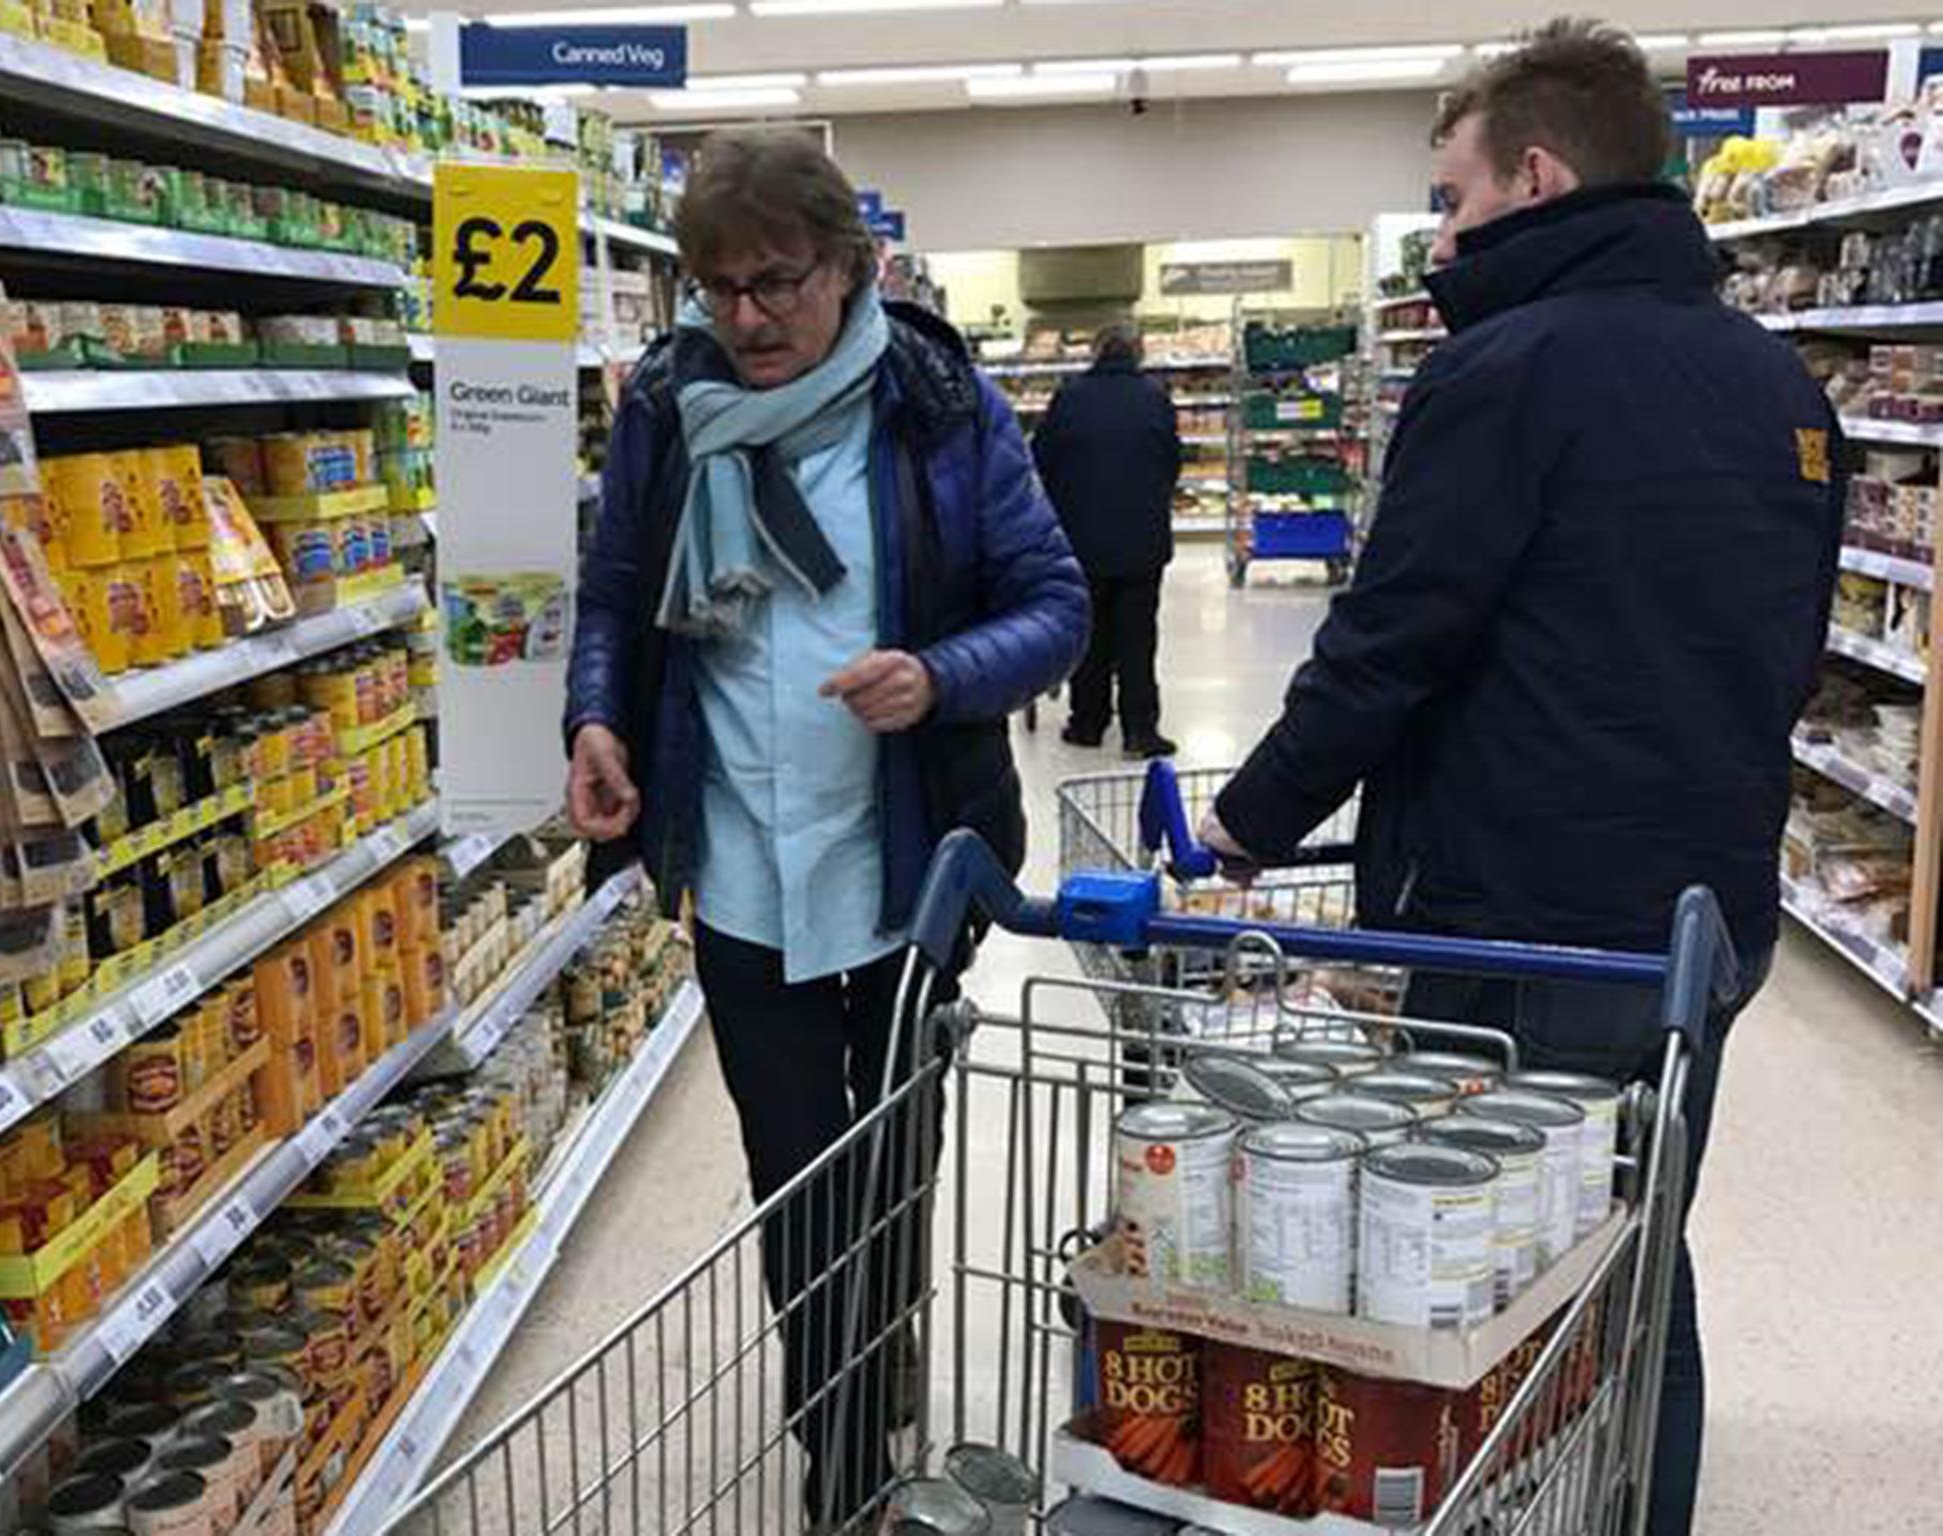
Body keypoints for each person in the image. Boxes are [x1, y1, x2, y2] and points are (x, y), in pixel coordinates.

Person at [1198, 21, 1841, 1536]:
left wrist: (1243, 825)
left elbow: (1388, 647)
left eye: (1451, 194)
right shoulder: (1783, 389)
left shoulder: (1501, 371)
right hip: (1706, 914)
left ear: (1534, 176)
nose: (1441, 230)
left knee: (1487, 1266)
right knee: (1638, 1243)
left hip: (1526, 921)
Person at [562, 129, 1087, 1531]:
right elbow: (615, 596)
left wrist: (941, 677)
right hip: (740, 872)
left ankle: (884, 1346)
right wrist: (595, 720)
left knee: (894, 1172)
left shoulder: (937, 404)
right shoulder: (671, 409)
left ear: (851, 269)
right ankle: (842, 1464)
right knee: (799, 1189)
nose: (747, 319)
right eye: (717, 288)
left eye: (778, 283)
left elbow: (1055, 602)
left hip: (911, 866)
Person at [1032, 323, 1182, 757]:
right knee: (1138, 636)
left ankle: (1088, 723)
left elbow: (1042, 461)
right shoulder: (1155, 398)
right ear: (1137, 352)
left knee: (1090, 634)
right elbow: (1171, 462)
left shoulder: (1070, 398)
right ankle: (1140, 731)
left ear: (1096, 351)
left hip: (1082, 540)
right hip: (1142, 540)